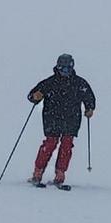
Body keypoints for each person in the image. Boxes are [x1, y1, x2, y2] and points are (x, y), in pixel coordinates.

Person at [27, 54, 96, 188]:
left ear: (72, 68)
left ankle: (60, 174)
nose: (65, 72)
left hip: (71, 119)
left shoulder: (79, 83)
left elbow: (89, 98)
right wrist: (35, 96)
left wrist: (90, 108)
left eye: (68, 69)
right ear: (57, 67)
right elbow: (32, 95)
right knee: (50, 144)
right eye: (62, 68)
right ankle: (37, 173)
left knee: (66, 146)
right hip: (52, 118)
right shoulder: (50, 82)